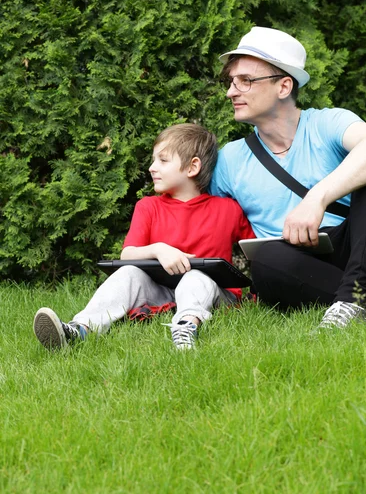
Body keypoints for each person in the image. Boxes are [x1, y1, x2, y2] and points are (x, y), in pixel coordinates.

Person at [210, 26, 366, 329]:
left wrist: (316, 199)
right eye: (231, 81)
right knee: (265, 262)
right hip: (298, 265)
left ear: (283, 87)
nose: (231, 91)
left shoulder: (327, 122)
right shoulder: (230, 158)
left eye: (246, 81)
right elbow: (203, 216)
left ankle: (352, 299)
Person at [33, 124, 255, 350]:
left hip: (212, 294)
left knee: (195, 277)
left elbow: (255, 251)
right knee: (129, 272)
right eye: (153, 160)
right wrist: (158, 249)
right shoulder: (148, 206)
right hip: (162, 291)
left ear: (192, 167)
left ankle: (186, 328)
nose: (152, 167)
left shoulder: (228, 209)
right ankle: (79, 330)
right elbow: (127, 254)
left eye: (163, 160)